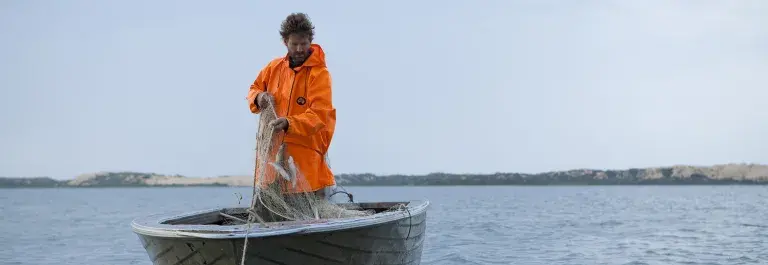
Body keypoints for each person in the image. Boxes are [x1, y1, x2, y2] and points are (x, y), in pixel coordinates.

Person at [246, 13, 336, 200]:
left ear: (310, 41)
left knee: (308, 220)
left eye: (303, 44)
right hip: (271, 166)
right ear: (285, 41)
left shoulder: (320, 75)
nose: (299, 49)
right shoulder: (273, 68)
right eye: (294, 44)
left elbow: (319, 116)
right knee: (269, 217)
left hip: (305, 165)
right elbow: (253, 89)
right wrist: (259, 97)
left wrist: (289, 123)